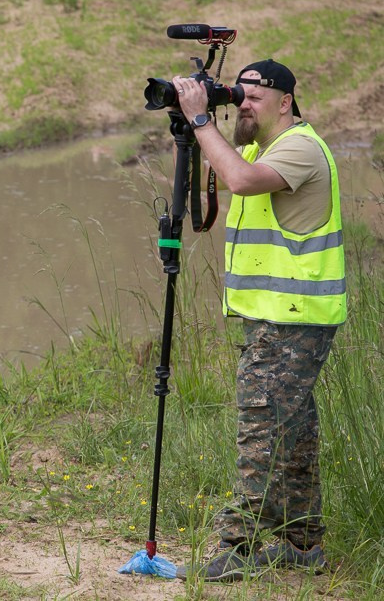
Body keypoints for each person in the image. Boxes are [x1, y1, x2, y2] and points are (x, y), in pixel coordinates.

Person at [170, 60, 346, 582]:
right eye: (236, 95)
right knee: (292, 431)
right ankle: (302, 544)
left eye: (253, 97)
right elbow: (228, 169)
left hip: (292, 319)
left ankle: (239, 547)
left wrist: (202, 121)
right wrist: (190, 125)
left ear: (285, 101)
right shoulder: (257, 148)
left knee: (259, 429)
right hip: (276, 317)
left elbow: (241, 182)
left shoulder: (299, 147)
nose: (242, 104)